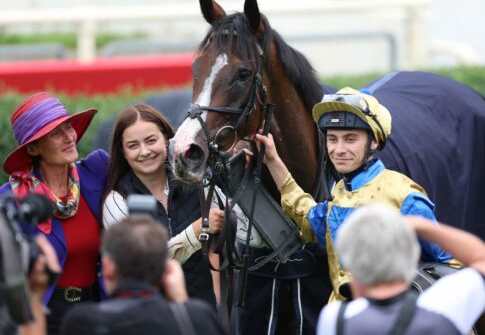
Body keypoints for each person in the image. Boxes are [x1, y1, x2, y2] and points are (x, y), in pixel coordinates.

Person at [254, 87, 452, 301]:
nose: (338, 149)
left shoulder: (404, 195)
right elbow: (308, 217)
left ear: (374, 141)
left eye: (350, 139)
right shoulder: (339, 194)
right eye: (332, 139)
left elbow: (448, 267)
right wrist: (273, 160)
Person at [0, 92, 109, 334]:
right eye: (55, 133)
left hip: (99, 311)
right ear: (33, 149)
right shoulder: (11, 200)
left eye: (68, 127)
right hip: (45, 318)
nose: (69, 137)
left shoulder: (97, 171)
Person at [102, 103, 224, 306]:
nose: (144, 151)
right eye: (133, 145)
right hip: (149, 316)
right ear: (122, 151)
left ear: (167, 139)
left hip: (202, 311)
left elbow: (234, 231)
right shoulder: (116, 201)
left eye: (151, 141)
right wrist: (195, 233)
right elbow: (137, 269)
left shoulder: (197, 181)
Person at [317, 203, 485, 335]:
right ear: (411, 258)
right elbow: (481, 258)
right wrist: (423, 226)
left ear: (351, 266)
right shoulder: (445, 307)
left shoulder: (334, 319)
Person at [60, 215, 226, 335]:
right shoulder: (198, 317)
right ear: (167, 269)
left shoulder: (83, 322)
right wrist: (182, 306)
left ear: (108, 268)